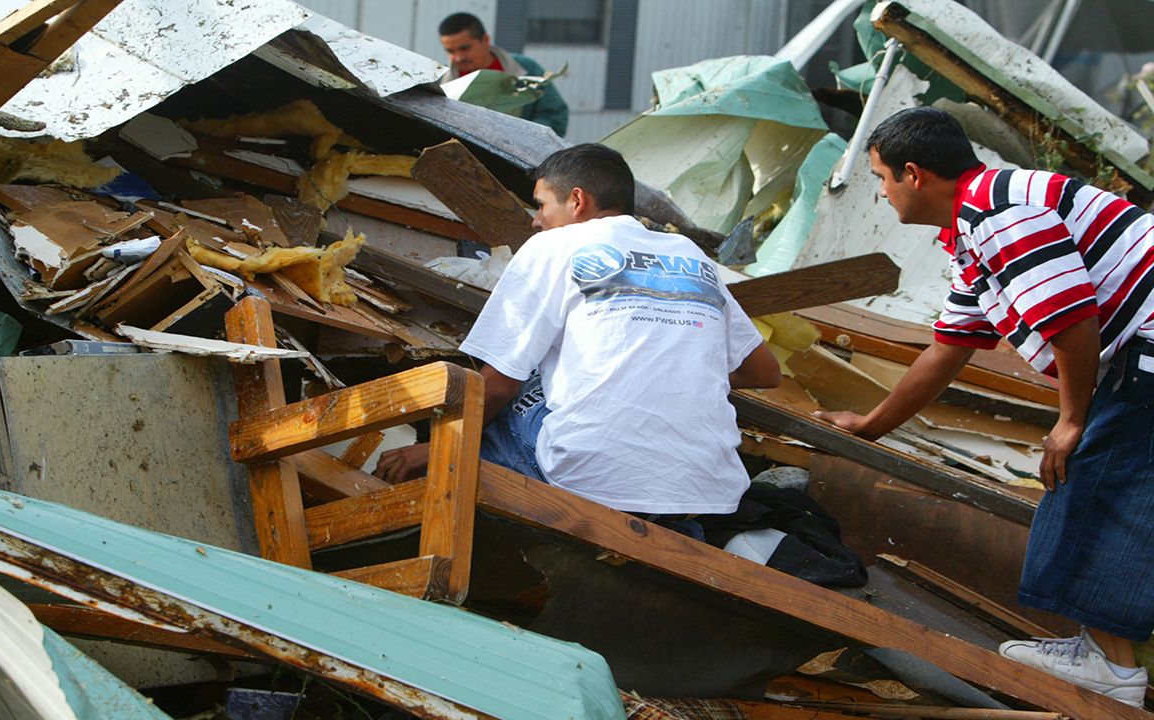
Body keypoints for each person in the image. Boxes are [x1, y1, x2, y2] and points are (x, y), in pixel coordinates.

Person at [815, 106, 1154, 706]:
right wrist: (870, 425)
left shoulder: (998, 212)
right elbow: (948, 348)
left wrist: (1070, 420)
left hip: (1147, 357)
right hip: (1139, 358)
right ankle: (1105, 656)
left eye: (882, 179)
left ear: (914, 174)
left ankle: (1112, 668)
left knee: (1096, 491)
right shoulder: (974, 230)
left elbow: (1073, 321)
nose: (882, 194)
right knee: (1099, 492)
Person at [375, 143, 780, 539]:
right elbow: (764, 371)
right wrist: (686, 366)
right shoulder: (689, 254)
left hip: (587, 474)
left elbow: (499, 386)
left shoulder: (554, 245)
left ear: (577, 200)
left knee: (526, 383)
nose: (536, 220)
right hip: (704, 486)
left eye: (542, 204)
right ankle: (668, 527)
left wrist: (440, 447)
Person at [437, 12, 568, 137]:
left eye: (464, 48)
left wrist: (525, 138)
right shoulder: (439, 81)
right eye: (450, 51)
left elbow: (554, 114)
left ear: (486, 40)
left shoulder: (527, 68)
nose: (458, 57)